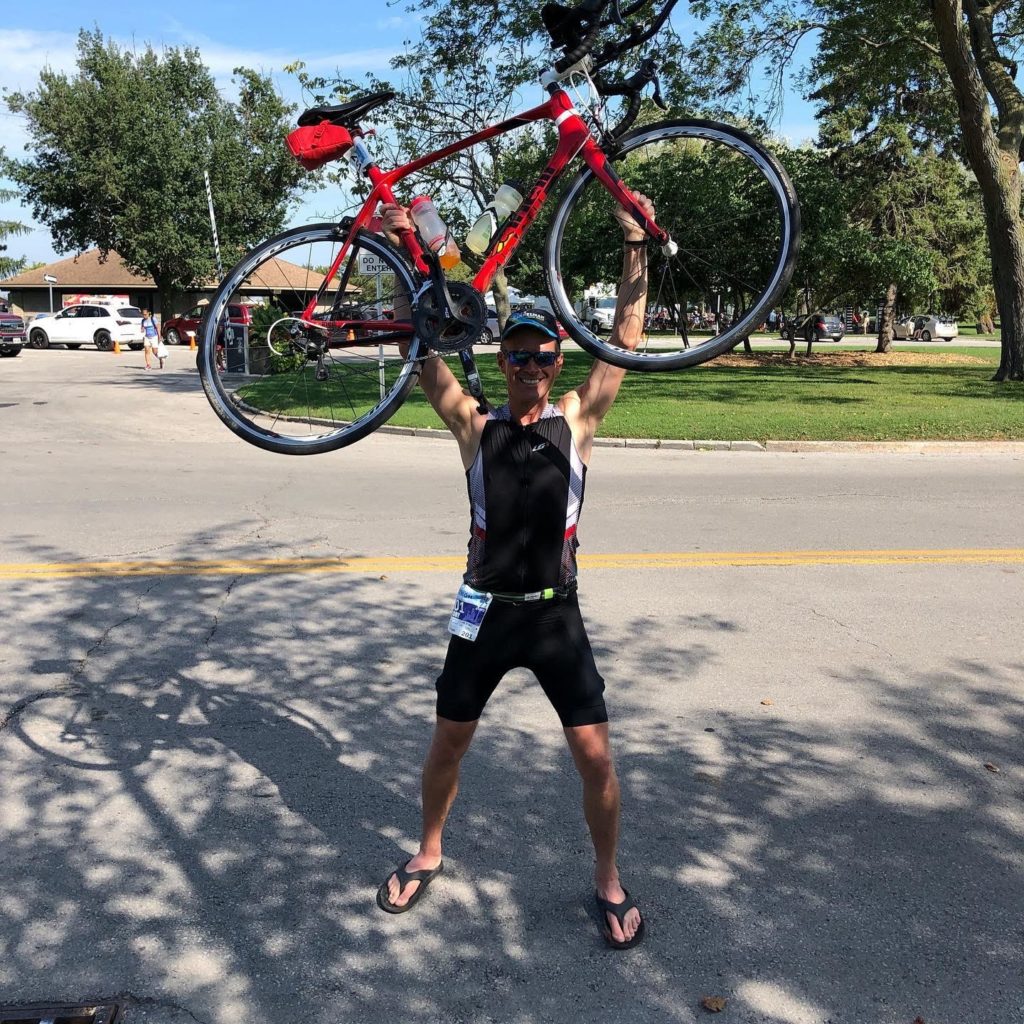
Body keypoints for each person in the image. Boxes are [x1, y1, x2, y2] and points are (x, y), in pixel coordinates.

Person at [374, 194, 655, 950]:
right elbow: (421, 352)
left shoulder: (578, 419)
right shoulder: (475, 426)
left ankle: (607, 877)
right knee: (447, 745)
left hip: (556, 614)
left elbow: (626, 336)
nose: (532, 366)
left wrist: (637, 245)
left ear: (556, 361)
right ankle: (430, 849)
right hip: (485, 614)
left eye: (543, 355)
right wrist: (406, 260)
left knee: (595, 756)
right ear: (502, 361)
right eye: (519, 355)